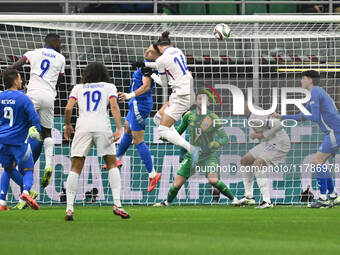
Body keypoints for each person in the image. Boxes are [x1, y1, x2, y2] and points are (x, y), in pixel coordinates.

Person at [63, 62, 129, 221]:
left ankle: (69, 209)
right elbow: (114, 106)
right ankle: (117, 204)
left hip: (83, 127)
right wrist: (119, 128)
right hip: (102, 127)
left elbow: (68, 108)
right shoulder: (109, 86)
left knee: (75, 167)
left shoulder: (78, 88)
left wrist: (67, 124)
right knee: (112, 164)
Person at [1, 33, 66, 189]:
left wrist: (3, 74)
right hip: (49, 96)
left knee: (21, 125)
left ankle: (30, 133)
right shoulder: (61, 58)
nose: (61, 45)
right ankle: (48, 164)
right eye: (60, 43)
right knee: (47, 133)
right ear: (55, 42)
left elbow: (15, 66)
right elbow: (60, 80)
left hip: (32, 94)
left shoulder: (33, 53)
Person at [153, 93, 236, 206]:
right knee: (177, 184)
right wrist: (166, 137)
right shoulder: (188, 116)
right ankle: (167, 203)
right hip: (192, 155)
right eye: (199, 99)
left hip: (209, 155)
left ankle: (234, 200)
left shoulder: (213, 118)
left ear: (209, 103)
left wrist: (214, 144)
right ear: (195, 102)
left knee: (213, 180)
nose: (202, 101)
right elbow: (178, 133)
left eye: (205, 100)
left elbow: (225, 138)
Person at [272, 70, 340, 208]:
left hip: (335, 131)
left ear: (310, 79)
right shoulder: (316, 93)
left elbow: (313, 117)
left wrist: (305, 114)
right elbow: (302, 117)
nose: (301, 81)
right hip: (334, 131)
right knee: (321, 163)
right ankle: (333, 195)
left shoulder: (315, 91)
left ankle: (322, 198)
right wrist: (282, 117)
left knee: (316, 162)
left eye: (303, 78)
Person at [132, 31, 201, 167]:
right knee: (157, 118)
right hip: (185, 92)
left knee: (163, 130)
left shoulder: (161, 60)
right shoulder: (178, 51)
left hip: (181, 96)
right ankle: (182, 144)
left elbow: (163, 83)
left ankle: (192, 149)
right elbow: (163, 65)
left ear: (159, 49)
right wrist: (144, 65)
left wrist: (151, 75)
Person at [115, 44, 162, 192]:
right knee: (127, 128)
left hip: (139, 105)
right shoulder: (146, 66)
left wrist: (129, 95)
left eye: (151, 51)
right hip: (135, 103)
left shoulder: (148, 69)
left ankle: (153, 174)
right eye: (147, 49)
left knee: (138, 140)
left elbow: (146, 86)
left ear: (157, 56)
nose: (146, 51)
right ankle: (117, 159)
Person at [236, 103, 291, 209]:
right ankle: (249, 196)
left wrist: (261, 135)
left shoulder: (257, 115)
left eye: (241, 105)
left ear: (247, 105)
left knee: (257, 165)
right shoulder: (249, 116)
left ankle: (267, 201)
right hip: (268, 142)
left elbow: (279, 125)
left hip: (279, 143)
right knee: (245, 160)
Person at [0, 69, 41, 211]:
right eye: (20, 78)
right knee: (28, 169)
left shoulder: (0, 97)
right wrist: (38, 132)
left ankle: (2, 203)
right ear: (16, 80)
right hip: (19, 143)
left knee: (9, 168)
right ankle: (25, 191)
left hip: (2, 142)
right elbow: (35, 119)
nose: (22, 81)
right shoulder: (24, 98)